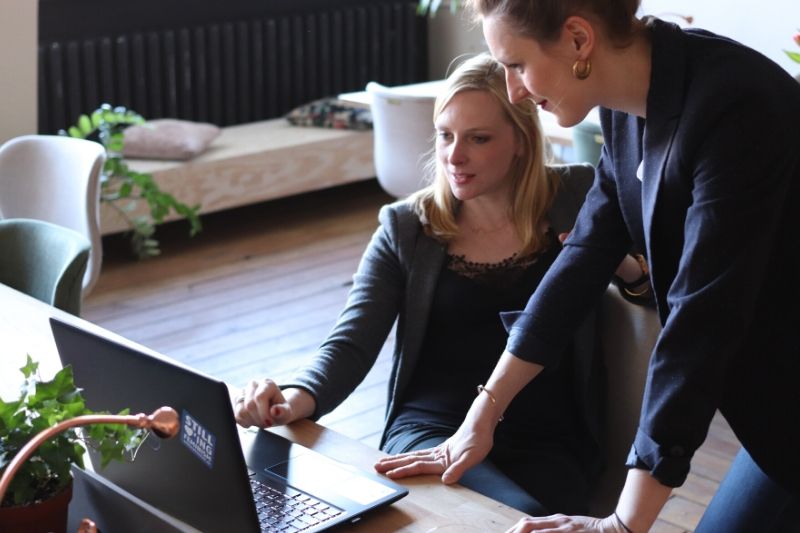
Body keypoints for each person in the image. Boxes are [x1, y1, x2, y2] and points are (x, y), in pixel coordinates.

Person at [374, 1, 800, 532]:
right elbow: (584, 257)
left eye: (517, 65)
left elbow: (701, 323)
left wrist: (622, 524)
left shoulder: (735, 105)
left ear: (578, 39)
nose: (514, 92)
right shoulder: (628, 107)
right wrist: (480, 418)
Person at [235, 53, 647, 516]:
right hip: (431, 430)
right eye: (446, 135)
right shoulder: (407, 227)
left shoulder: (578, 195)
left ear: (521, 141)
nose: (454, 156)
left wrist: (623, 267)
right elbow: (351, 342)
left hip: (549, 438)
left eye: (479, 138)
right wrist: (293, 399)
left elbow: (654, 294)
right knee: (505, 515)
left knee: (519, 514)